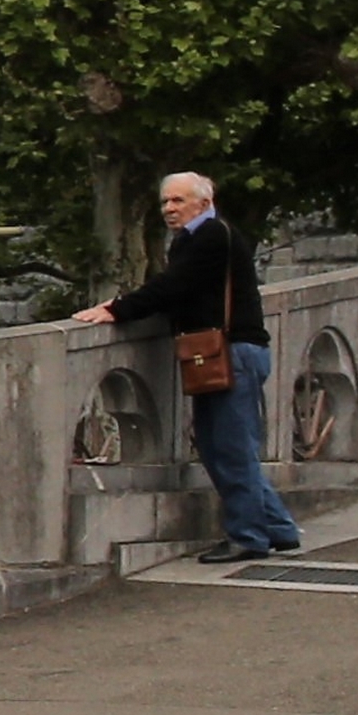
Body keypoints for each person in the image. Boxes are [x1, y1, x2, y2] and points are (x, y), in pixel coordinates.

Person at [72, 171, 299, 562]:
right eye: (165, 202)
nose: (168, 209)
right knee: (216, 444)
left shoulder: (211, 236)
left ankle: (249, 536)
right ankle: (276, 527)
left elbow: (173, 286)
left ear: (204, 203)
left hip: (232, 351)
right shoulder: (192, 239)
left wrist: (116, 308)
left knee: (230, 447)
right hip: (219, 351)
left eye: (178, 201)